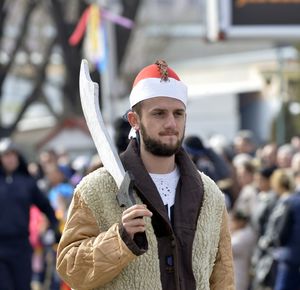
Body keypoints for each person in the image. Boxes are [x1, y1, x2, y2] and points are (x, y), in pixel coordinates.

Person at [56, 60, 235, 290]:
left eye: (178, 113)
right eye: (159, 113)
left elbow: (224, 279)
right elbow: (71, 270)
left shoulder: (209, 194)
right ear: (134, 120)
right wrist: (119, 239)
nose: (171, 123)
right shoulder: (96, 189)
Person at [0, 138, 58, 290]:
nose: (11, 158)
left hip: (21, 246)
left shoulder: (27, 183)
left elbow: (46, 207)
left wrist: (53, 228)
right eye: (6, 155)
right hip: (1, 246)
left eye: (14, 154)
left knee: (22, 286)